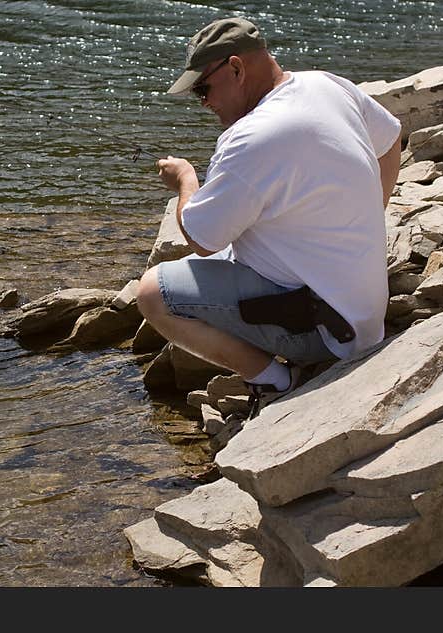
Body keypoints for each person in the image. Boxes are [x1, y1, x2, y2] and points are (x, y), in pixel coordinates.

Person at [136, 17, 402, 414]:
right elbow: (391, 138)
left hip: (328, 332)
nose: (204, 103)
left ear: (237, 68)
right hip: (360, 311)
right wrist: (365, 221)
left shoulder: (250, 138)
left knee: (153, 294)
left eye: (203, 89)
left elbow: (201, 240)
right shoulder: (325, 84)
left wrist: (186, 180)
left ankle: (274, 381)